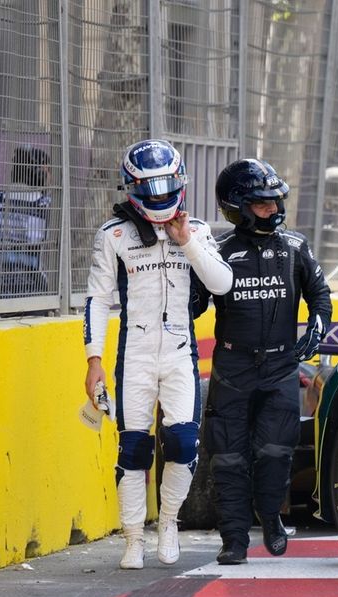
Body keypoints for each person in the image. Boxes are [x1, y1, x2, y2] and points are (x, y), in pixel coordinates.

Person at [83, 139, 233, 570]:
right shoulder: (113, 235)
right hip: (136, 356)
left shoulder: (198, 230)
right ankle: (133, 538)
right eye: (151, 185)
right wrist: (93, 360)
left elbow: (222, 284)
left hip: (180, 353)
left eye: (168, 183)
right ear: (132, 186)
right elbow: (96, 299)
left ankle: (168, 523)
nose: (161, 193)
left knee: (184, 442)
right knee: (133, 448)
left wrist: (186, 241)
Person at [194, 158, 332, 565]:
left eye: (276, 202)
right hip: (232, 369)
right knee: (229, 457)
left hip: (281, 368)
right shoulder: (217, 253)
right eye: (262, 204)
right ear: (237, 207)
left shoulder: (295, 247)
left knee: (275, 452)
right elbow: (193, 306)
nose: (274, 210)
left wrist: (316, 330)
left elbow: (321, 295)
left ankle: (270, 516)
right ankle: (234, 540)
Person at [0, 145, 52, 298]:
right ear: (38, 172)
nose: (49, 178)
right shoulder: (45, 204)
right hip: (32, 285)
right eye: (47, 171)